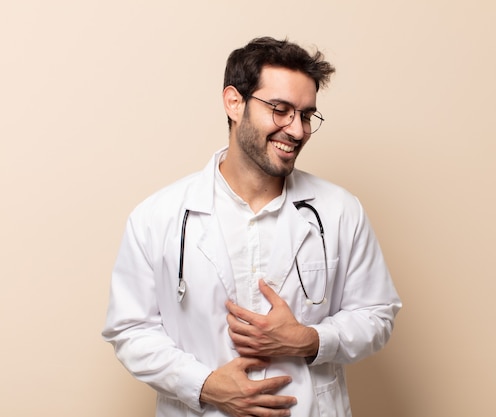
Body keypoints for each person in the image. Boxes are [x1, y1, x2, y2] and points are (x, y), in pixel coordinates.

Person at [102, 36, 401, 417]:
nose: (296, 130)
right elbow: (129, 330)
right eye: (280, 110)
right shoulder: (158, 216)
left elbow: (377, 313)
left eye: (306, 115)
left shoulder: (340, 211)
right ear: (233, 102)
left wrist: (309, 340)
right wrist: (203, 384)